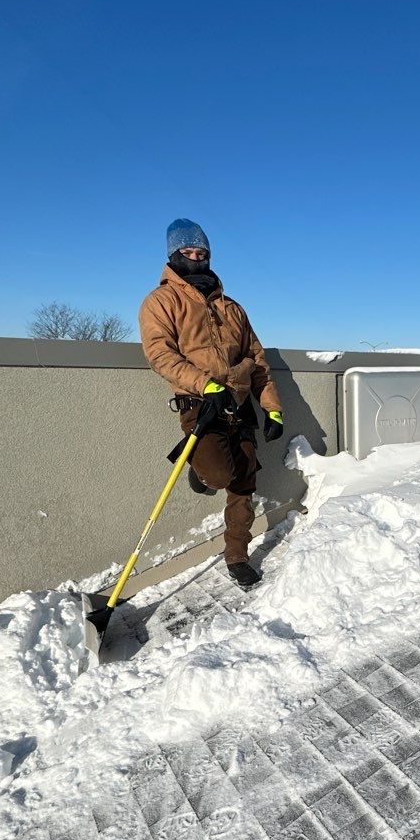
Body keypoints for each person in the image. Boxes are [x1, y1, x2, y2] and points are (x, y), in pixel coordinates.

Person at [138, 219, 284, 589]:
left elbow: (258, 359)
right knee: (219, 475)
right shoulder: (161, 301)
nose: (196, 258)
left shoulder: (233, 308)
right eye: (187, 253)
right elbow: (160, 355)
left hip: (239, 403)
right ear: (173, 255)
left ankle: (237, 554)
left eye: (201, 253)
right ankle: (201, 472)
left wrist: (272, 407)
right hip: (200, 404)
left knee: (245, 481)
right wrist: (206, 385)